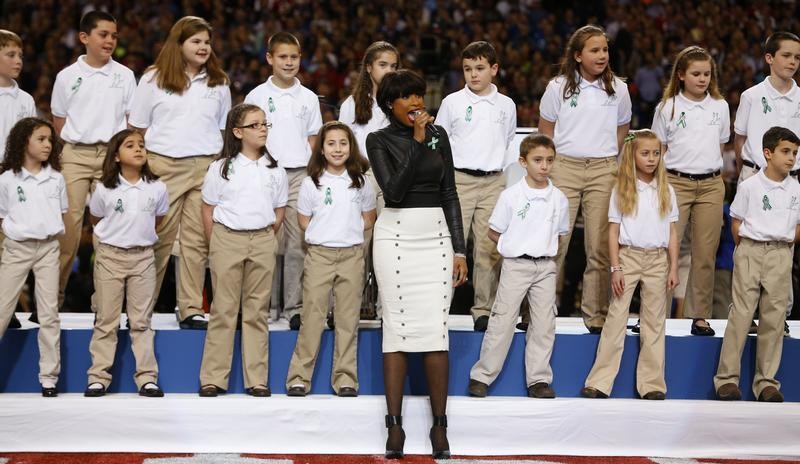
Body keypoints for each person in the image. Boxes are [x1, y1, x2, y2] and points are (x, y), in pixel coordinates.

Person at [366, 69, 468, 460]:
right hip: (394, 239)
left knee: (435, 330)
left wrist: (460, 249)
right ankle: (395, 428)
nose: (415, 103)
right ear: (390, 104)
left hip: (436, 239)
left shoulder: (440, 135)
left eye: (418, 95)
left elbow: (450, 192)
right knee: (396, 329)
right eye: (407, 97)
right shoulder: (378, 140)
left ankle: (439, 427)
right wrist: (417, 143)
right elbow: (393, 191)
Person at [128, 16, 231, 330]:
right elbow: (137, 128)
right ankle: (141, 307)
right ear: (179, 44)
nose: (203, 47)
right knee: (156, 238)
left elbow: (224, 128)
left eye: (206, 42)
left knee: (197, 241)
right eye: (195, 41)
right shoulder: (152, 79)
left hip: (204, 167)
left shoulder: (219, 81)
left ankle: (190, 308)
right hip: (163, 167)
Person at [538, 25, 632, 333]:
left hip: (604, 169)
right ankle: (538, 311)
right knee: (555, 241)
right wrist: (554, 164)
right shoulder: (558, 87)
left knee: (600, 247)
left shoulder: (618, 88)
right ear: (577, 55)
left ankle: (595, 314)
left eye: (605, 49)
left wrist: (607, 156)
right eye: (594, 50)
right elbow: (546, 130)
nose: (602, 55)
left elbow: (623, 127)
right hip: (564, 166)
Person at [467, 134, 569, 399]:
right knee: (502, 319)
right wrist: (512, 247)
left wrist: (542, 250)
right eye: (537, 160)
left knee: (544, 323)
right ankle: (482, 376)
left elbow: (559, 234)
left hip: (545, 267)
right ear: (523, 162)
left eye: (549, 160)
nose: (544, 166)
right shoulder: (511, 196)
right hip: (515, 265)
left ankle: (538, 380)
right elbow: (493, 231)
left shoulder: (559, 199)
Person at [581, 129, 679, 400]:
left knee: (655, 322)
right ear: (632, 155)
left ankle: (652, 384)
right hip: (628, 257)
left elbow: (672, 232)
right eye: (645, 153)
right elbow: (613, 232)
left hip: (658, 259)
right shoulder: (622, 189)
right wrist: (615, 267)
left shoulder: (666, 190)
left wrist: (672, 267)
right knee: (616, 317)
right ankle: (600, 381)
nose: (651, 159)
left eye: (656, 154)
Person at [198, 103, 287, 397]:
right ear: (237, 132)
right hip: (227, 238)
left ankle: (257, 378)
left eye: (264, 124)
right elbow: (208, 208)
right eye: (254, 125)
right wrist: (216, 243)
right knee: (223, 309)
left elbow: (279, 211)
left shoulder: (276, 169)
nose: (262, 129)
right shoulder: (221, 167)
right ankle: (213, 377)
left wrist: (264, 236)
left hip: (262, 238)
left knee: (256, 311)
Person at [51, 11, 136, 309]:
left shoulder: (125, 75)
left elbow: (130, 121)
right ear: (84, 38)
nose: (110, 40)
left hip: (111, 157)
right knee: (68, 229)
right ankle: (53, 300)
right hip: (74, 155)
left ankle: (106, 304)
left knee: (111, 230)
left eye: (114, 35)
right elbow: (58, 121)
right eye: (104, 34)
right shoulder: (66, 76)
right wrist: (76, 147)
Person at [285, 121, 376, 397]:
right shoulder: (312, 182)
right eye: (331, 143)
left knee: (348, 320)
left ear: (351, 147)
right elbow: (303, 220)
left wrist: (347, 235)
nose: (338, 149)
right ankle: (299, 377)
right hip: (320, 255)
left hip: (351, 255)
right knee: (312, 317)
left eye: (343, 143)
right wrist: (325, 234)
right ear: (321, 149)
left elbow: (369, 218)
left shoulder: (361, 181)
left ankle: (346, 378)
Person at [435, 41, 517, 332]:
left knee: (488, 249)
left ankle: (483, 310)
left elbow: (508, 141)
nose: (473, 74)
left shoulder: (506, 105)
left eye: (480, 68)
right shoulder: (452, 102)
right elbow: (439, 143)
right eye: (468, 69)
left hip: (493, 181)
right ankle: (438, 307)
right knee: (450, 246)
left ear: (494, 69)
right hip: (458, 180)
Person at [715, 126, 800, 403]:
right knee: (741, 314)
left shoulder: (796, 188)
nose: (791, 158)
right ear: (768, 153)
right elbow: (736, 221)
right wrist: (748, 249)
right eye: (785, 152)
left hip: (780, 252)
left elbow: (797, 225)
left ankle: (766, 382)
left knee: (774, 318)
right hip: (750, 249)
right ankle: (727, 380)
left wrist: (784, 244)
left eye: (795, 153)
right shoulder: (750, 185)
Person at [244, 32, 323, 330]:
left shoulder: (309, 97)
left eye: (294, 57)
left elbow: (314, 139)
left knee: (296, 244)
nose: (289, 63)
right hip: (264, 173)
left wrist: (317, 175)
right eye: (283, 57)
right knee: (265, 241)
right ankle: (263, 306)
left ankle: (293, 308)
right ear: (269, 58)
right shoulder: (256, 96)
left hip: (299, 174)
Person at [84, 129, 168, 398]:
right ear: (117, 156)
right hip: (110, 257)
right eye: (130, 145)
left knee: (141, 321)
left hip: (143, 258)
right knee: (106, 320)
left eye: (141, 145)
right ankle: (98, 377)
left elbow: (158, 219)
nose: (138, 149)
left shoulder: (157, 187)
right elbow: (96, 218)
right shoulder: (104, 188)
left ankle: (147, 378)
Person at [651, 46, 729, 336]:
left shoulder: (720, 106)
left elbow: (720, 146)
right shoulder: (667, 106)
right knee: (665, 251)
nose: (702, 79)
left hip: (710, 185)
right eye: (696, 74)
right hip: (675, 183)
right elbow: (658, 149)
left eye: (707, 74)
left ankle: (699, 316)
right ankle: (655, 313)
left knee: (705, 253)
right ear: (681, 75)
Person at [733, 32, 800, 336]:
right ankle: (744, 313)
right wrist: (748, 173)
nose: (793, 62)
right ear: (769, 58)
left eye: (797, 57)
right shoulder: (750, 96)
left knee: (785, 247)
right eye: (786, 55)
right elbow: (741, 140)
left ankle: (778, 315)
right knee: (747, 244)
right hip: (754, 175)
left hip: (791, 180)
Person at [0, 118, 66, 397]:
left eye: (50, 140)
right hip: (17, 247)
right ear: (23, 141)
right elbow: (3, 215)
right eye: (41, 139)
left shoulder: (57, 178)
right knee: (2, 308)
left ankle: (49, 377)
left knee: (49, 313)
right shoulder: (6, 179)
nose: (47, 145)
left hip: (49, 248)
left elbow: (62, 213)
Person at [339, 41, 398, 319]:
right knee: (358, 244)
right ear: (369, 67)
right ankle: (351, 306)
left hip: (391, 180)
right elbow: (343, 144)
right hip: (360, 177)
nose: (388, 71)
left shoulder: (399, 103)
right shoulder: (352, 105)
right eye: (382, 65)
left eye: (393, 66)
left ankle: (386, 308)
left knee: (387, 245)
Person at [0, 29, 36, 330]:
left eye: (20, 56)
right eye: (10, 55)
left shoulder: (25, 99)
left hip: (13, 178)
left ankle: (6, 308)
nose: (18, 61)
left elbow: (29, 143)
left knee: (9, 247)